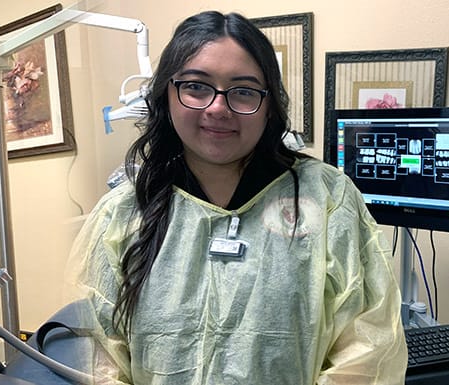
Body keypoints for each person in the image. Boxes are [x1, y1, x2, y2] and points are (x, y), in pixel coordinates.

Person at [69, 11, 407, 384]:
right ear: (166, 94)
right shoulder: (124, 213)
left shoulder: (327, 200)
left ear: (268, 105)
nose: (218, 108)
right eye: (196, 86)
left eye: (243, 91)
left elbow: (368, 348)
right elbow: (97, 355)